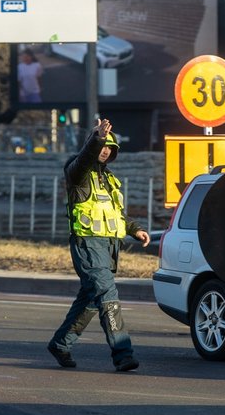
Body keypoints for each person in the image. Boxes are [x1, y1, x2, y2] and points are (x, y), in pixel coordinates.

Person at [47, 118, 150, 371]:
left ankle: (61, 344)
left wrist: (135, 230)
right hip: (87, 245)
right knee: (107, 293)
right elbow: (84, 159)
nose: (105, 150)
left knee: (92, 299)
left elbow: (117, 214)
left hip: (108, 248)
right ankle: (123, 353)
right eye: (103, 145)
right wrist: (97, 138)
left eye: (110, 148)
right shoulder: (77, 172)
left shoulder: (111, 180)